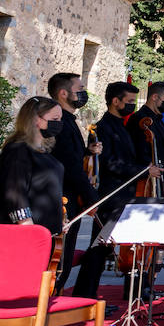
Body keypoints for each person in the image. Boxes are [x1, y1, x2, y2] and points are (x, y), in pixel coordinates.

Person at [0, 96, 70, 326]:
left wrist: (61, 219)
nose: (58, 125)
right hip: (26, 238)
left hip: (45, 234)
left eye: (60, 120)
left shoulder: (40, 149)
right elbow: (14, 194)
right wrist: (28, 232)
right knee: (16, 298)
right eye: (53, 120)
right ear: (34, 119)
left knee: (32, 298)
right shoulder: (18, 149)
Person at [75, 82, 162, 299]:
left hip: (125, 195)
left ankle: (92, 295)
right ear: (115, 101)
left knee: (105, 249)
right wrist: (144, 170)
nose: (132, 107)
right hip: (112, 196)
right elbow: (111, 164)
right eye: (129, 102)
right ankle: (84, 296)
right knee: (99, 248)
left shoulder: (121, 127)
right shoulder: (103, 128)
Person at [46, 72, 100, 295]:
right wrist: (91, 198)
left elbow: (71, 157)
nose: (83, 93)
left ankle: (50, 317)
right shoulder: (61, 125)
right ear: (63, 93)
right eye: (79, 89)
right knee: (59, 260)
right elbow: (70, 166)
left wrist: (87, 152)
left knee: (64, 259)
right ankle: (46, 321)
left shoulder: (68, 123)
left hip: (69, 198)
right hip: (64, 200)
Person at [130, 81, 164, 193]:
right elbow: (141, 155)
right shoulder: (140, 120)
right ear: (155, 97)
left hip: (163, 184)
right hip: (149, 186)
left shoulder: (158, 120)